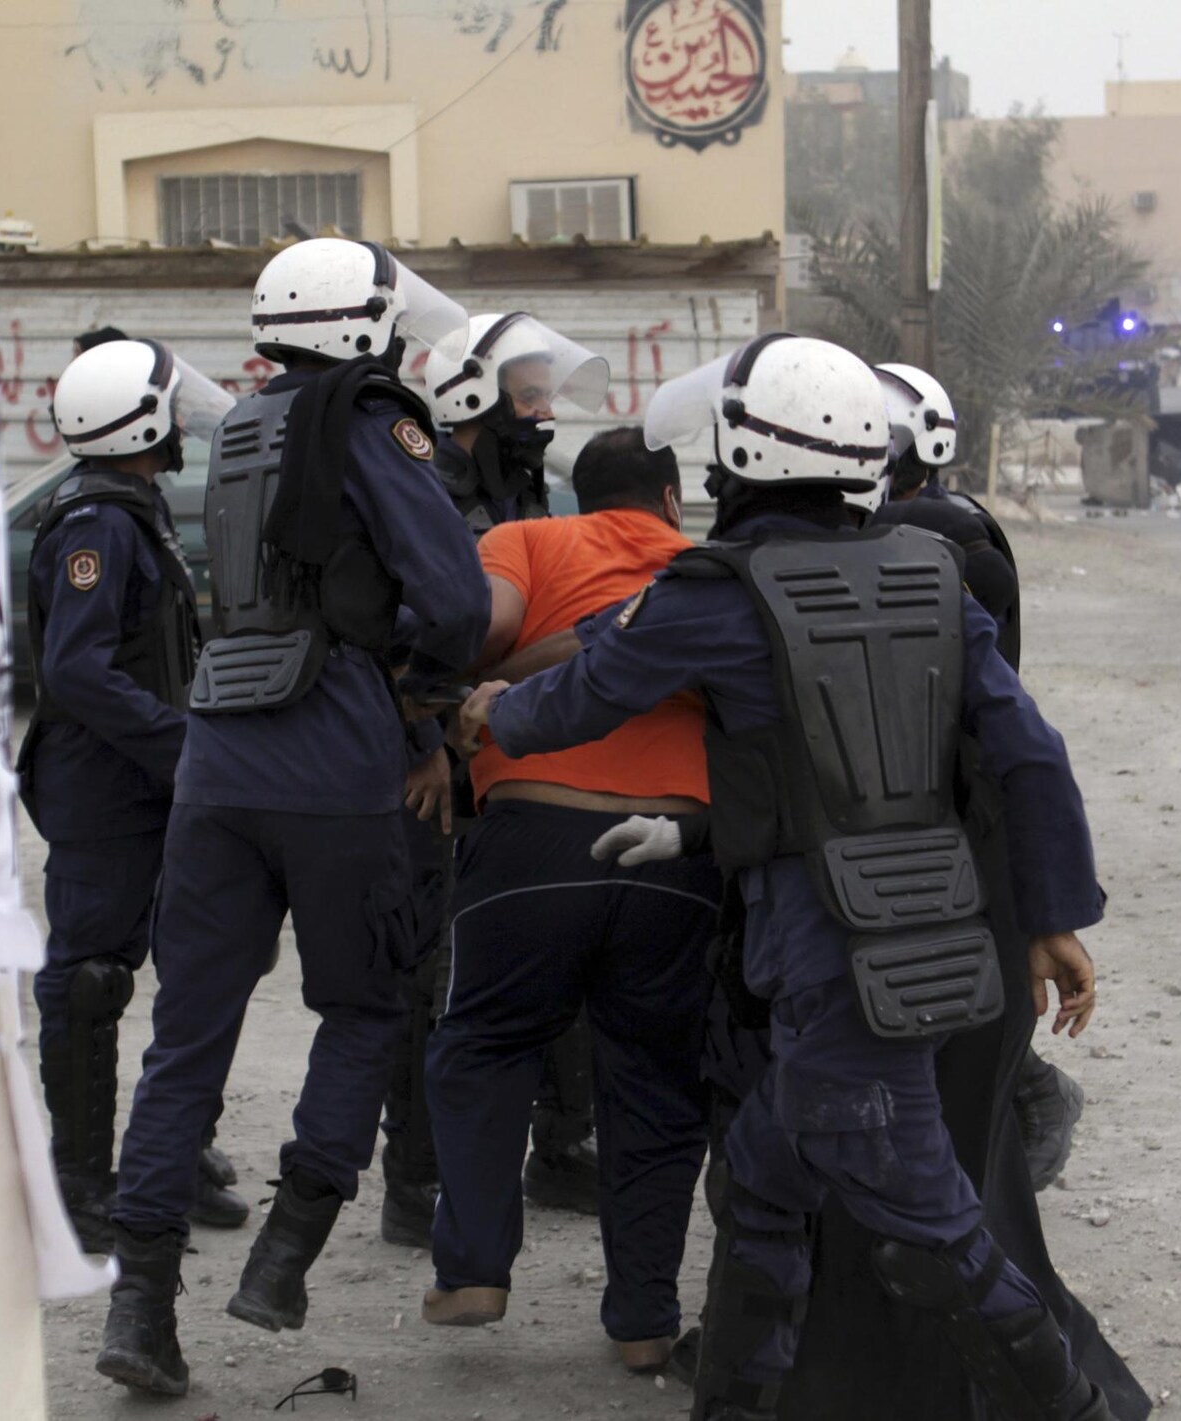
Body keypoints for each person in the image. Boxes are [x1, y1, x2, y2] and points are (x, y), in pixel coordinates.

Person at [456, 334, 1122, 1421]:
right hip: (929, 929)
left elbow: (584, 696)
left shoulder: (713, 589)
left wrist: (497, 712)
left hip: (829, 959)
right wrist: (1052, 917)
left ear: (734, 454)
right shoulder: (930, 575)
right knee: (763, 1178)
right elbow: (1019, 753)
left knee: (934, 1228)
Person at [95, 239, 488, 1398]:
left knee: (185, 1042)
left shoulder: (242, 425)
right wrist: (425, 700)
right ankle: (284, 1252)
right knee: (366, 1004)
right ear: (363, 326)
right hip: (334, 754)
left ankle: (141, 1309)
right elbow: (454, 594)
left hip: (219, 754)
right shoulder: (375, 419)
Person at [421, 429, 717, 1372]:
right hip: (676, 853)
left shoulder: (527, 539)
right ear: (671, 500)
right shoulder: (709, 570)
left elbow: (483, 629)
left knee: (483, 1044)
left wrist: (492, 684)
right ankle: (643, 1322)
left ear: (574, 498)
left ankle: (472, 1269)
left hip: (532, 836)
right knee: (657, 1082)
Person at [377, 314, 614, 1249]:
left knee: (555, 943)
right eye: (527, 389)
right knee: (431, 971)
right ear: (472, 394)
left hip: (509, 755)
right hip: (435, 766)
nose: (544, 406)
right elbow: (406, 638)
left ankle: (557, 1147)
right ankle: (413, 1179)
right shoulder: (426, 492)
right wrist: (428, 740)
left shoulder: (522, 489)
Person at [17, 338, 249, 1253]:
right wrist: (182, 743)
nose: (183, 416)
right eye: (168, 403)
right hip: (105, 792)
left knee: (195, 968)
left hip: (150, 783)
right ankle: (77, 1186)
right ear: (137, 419)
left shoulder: (132, 505)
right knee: (89, 980)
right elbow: (75, 670)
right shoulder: (97, 524)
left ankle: (170, 1157)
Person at [867, 363, 1084, 1188]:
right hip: (906, 784)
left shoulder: (951, 542)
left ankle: (1022, 1105)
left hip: (950, 788)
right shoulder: (900, 533)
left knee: (958, 966)